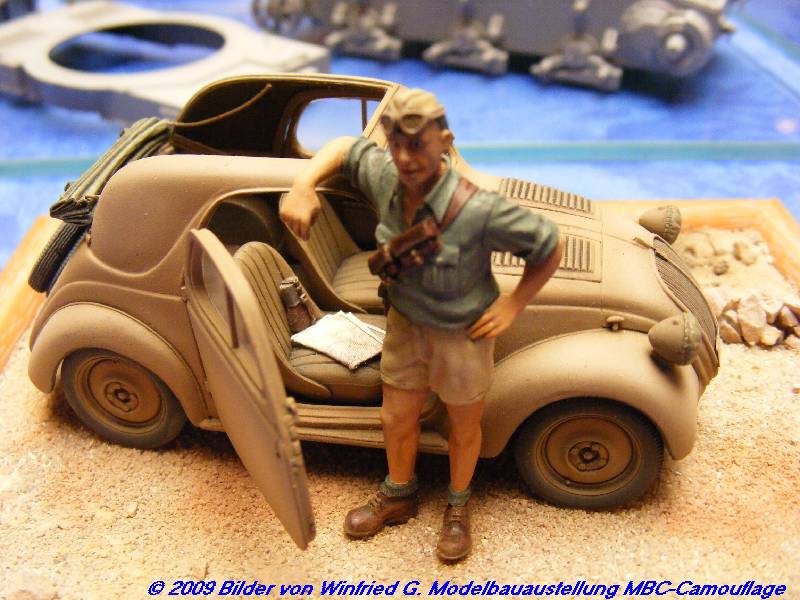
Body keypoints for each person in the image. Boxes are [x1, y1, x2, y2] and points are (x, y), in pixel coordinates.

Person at [280, 88, 563, 562]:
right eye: (397, 146)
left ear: (445, 143)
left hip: (462, 334)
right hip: (407, 325)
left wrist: (513, 304)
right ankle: (399, 492)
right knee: (396, 417)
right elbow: (345, 147)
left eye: (419, 145)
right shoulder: (386, 177)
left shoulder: (479, 209)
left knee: (463, 425)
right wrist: (303, 184)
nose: (407, 158)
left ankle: (458, 506)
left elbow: (547, 245)